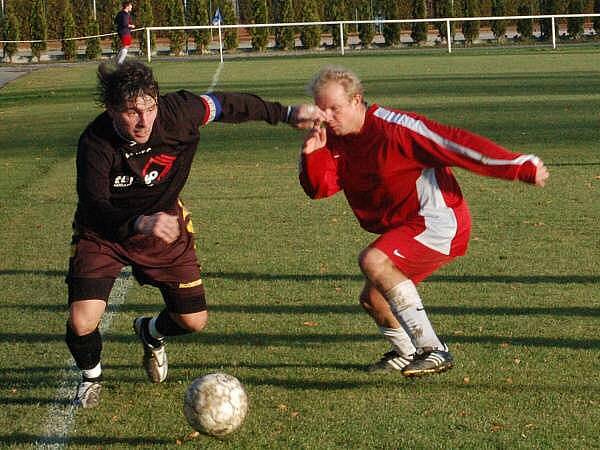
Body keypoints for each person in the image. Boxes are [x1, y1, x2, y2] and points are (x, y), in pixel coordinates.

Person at [66, 61, 323, 408]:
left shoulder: (180, 112)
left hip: (166, 228)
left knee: (193, 321)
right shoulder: (96, 142)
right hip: (105, 233)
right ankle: (91, 377)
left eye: (149, 107)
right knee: (83, 320)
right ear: (112, 110)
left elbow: (227, 104)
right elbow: (95, 203)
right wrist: (140, 222)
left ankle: (150, 332)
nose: (143, 120)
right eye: (131, 112)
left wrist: (287, 112)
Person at [299, 66, 549, 377]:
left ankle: (434, 349)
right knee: (373, 299)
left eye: (334, 108)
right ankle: (406, 353)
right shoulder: (332, 139)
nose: (326, 116)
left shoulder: (396, 129)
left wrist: (518, 166)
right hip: (404, 227)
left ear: (356, 100)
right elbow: (321, 189)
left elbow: (456, 143)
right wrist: (312, 154)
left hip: (438, 220)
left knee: (373, 261)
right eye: (320, 108)